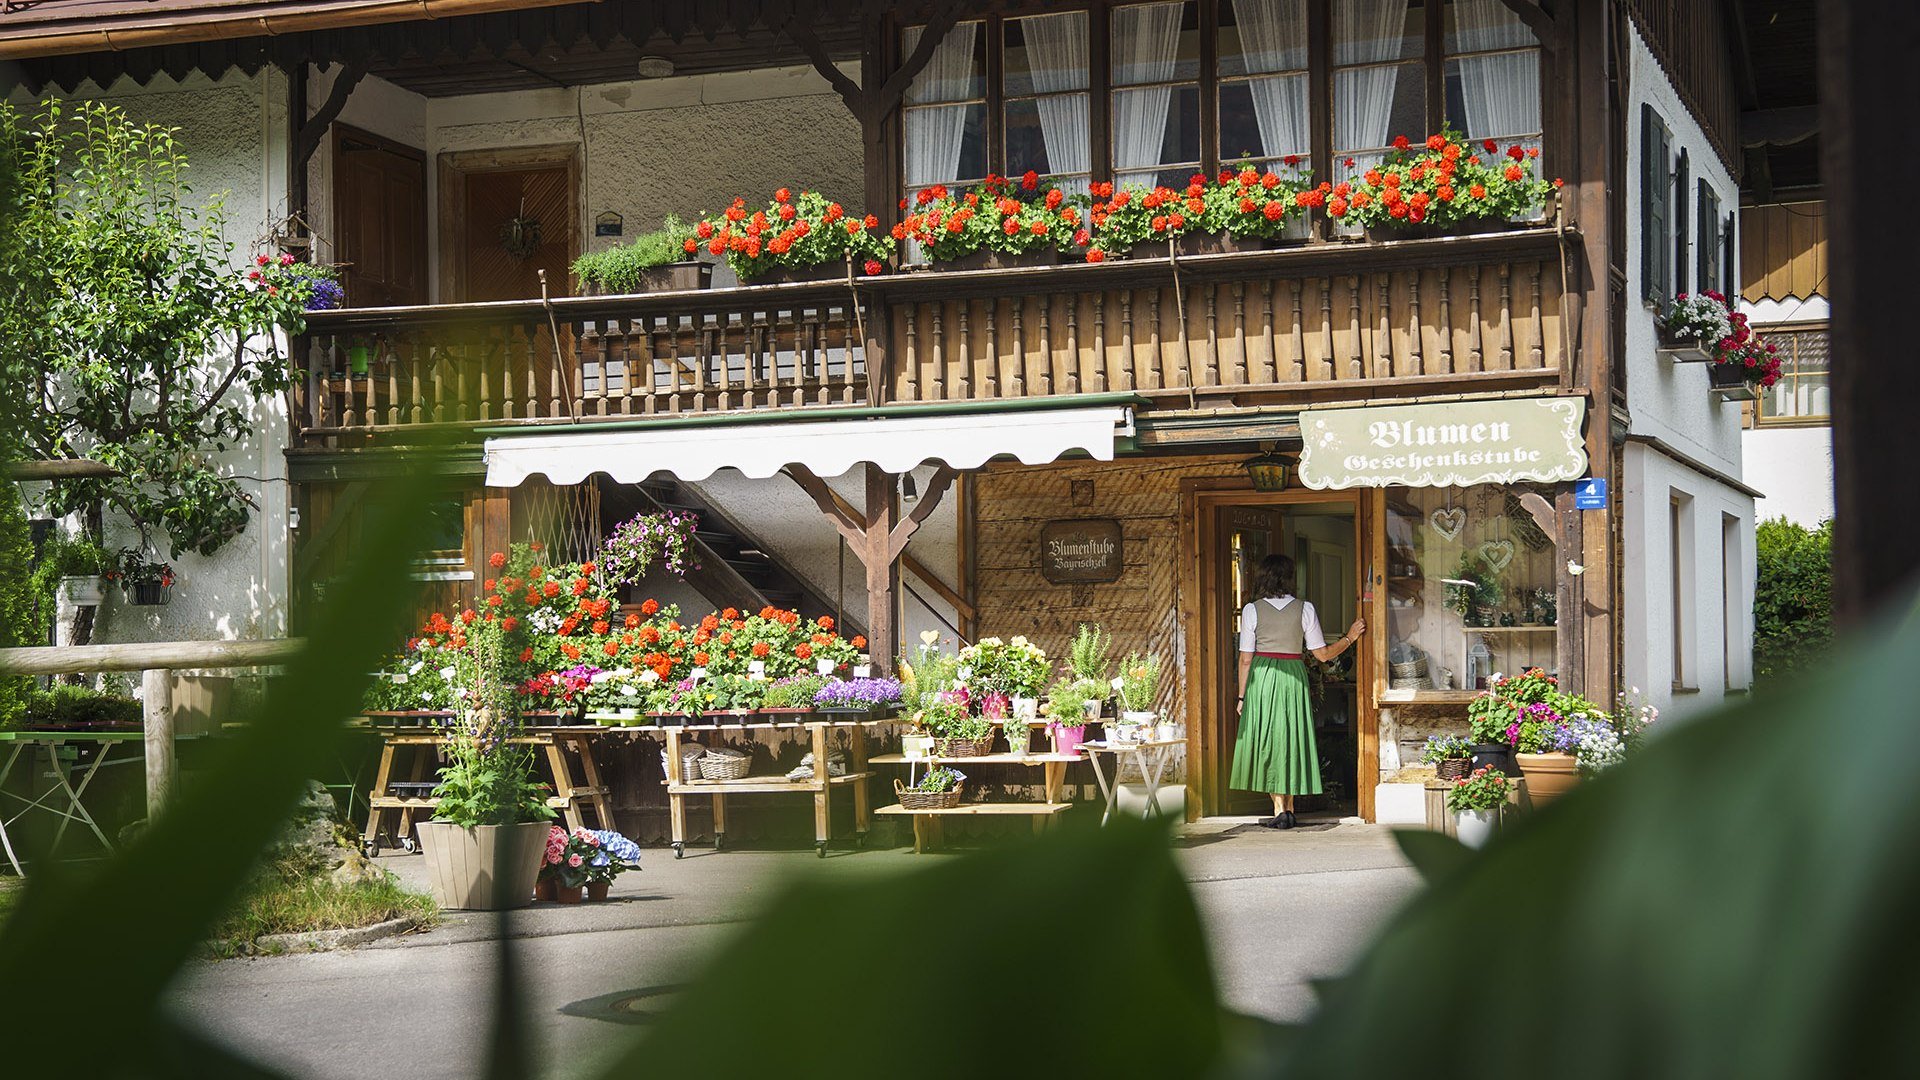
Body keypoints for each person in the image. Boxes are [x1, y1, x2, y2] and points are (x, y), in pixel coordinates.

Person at [1230, 554, 1365, 830]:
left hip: (1264, 678)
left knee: (1268, 740)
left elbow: (1245, 658)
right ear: (1289, 578)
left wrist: (1242, 696)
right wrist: (1350, 637)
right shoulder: (1305, 609)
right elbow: (1323, 655)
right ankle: (1288, 808)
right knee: (1289, 739)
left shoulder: (1252, 610)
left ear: (1263, 578)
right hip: (1293, 677)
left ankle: (1280, 809)